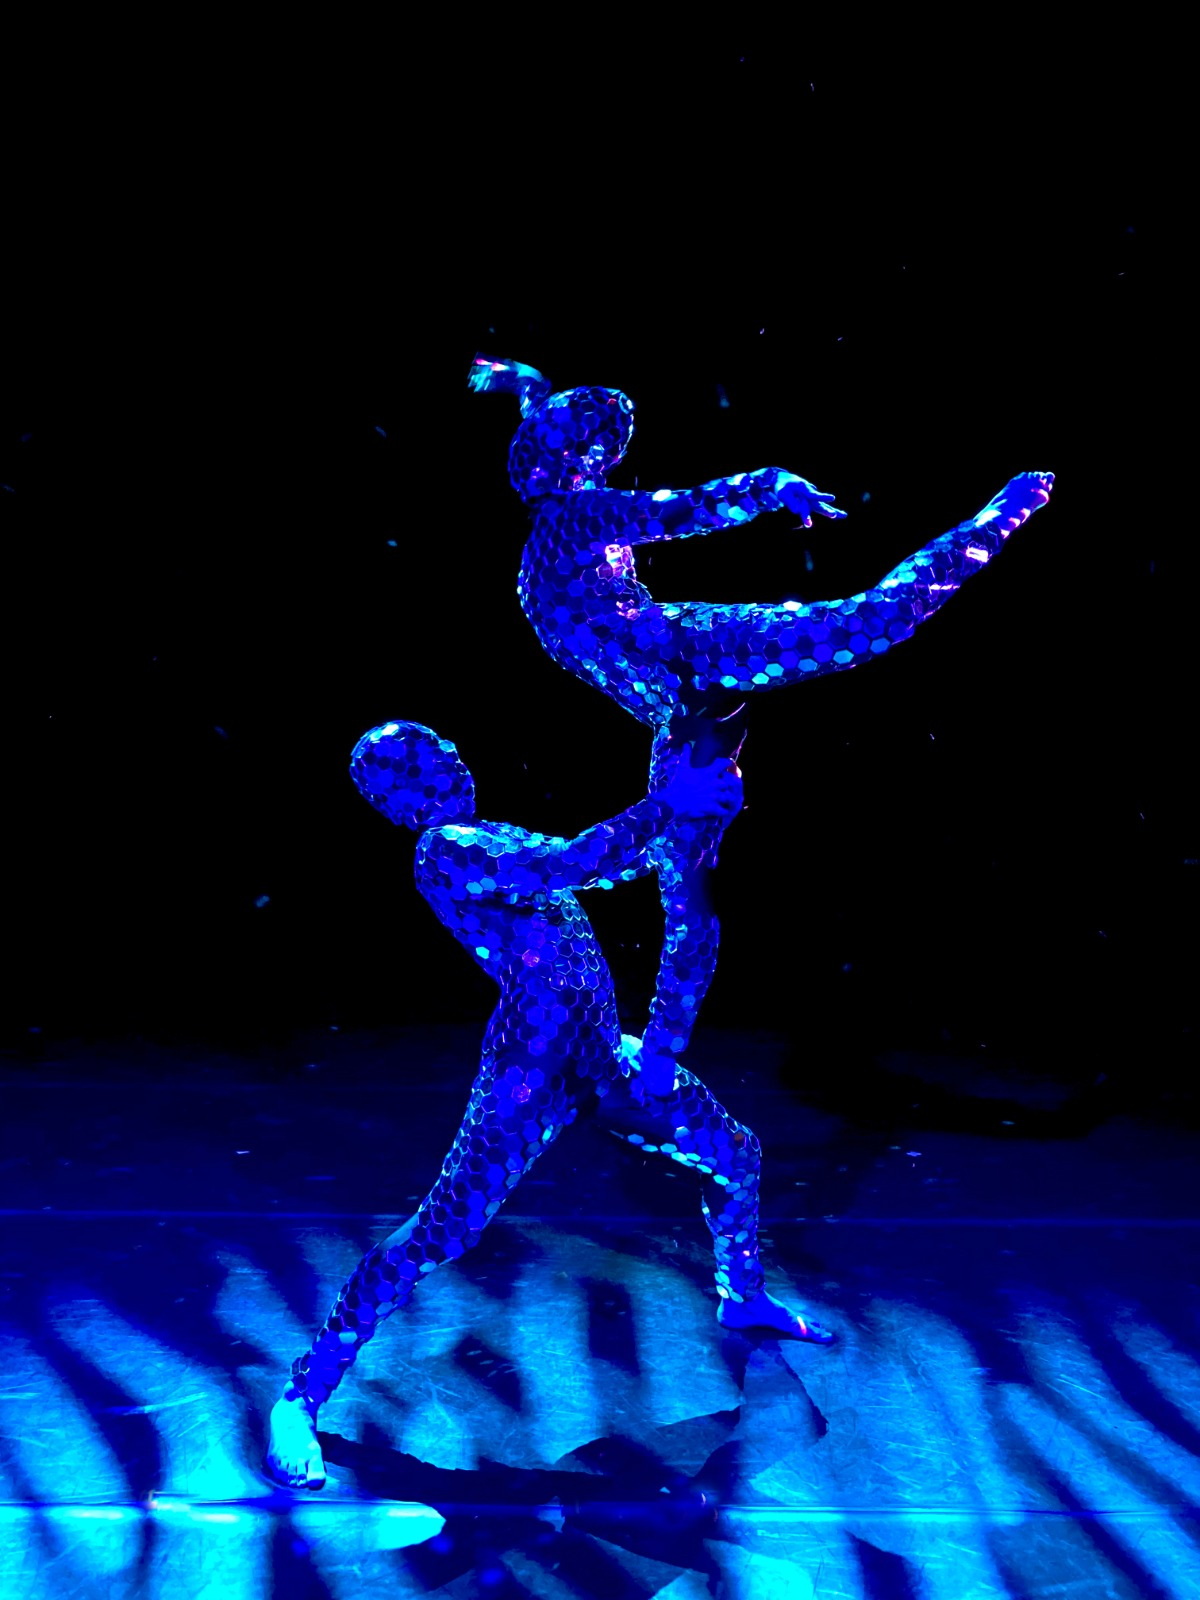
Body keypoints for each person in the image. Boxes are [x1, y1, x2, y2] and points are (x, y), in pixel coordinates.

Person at [266, 721, 833, 1491]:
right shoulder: (445, 850)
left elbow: (605, 861)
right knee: (440, 1233)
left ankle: (743, 1296)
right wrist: (668, 800)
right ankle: (301, 1395)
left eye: (446, 750)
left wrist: (688, 819)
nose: (450, 760)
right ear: (397, 800)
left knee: (735, 1154)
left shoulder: (492, 834)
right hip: (528, 1074)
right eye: (423, 762)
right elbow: (575, 862)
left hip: (601, 1057)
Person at [470, 354, 1054, 1091]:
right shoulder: (567, 516)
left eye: (591, 449)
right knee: (687, 891)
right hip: (685, 715)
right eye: (584, 449)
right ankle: (659, 1057)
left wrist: (769, 485)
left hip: (692, 652)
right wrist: (526, 386)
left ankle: (1003, 513)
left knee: (870, 623)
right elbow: (616, 476)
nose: (596, 461)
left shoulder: (578, 512)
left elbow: (679, 509)